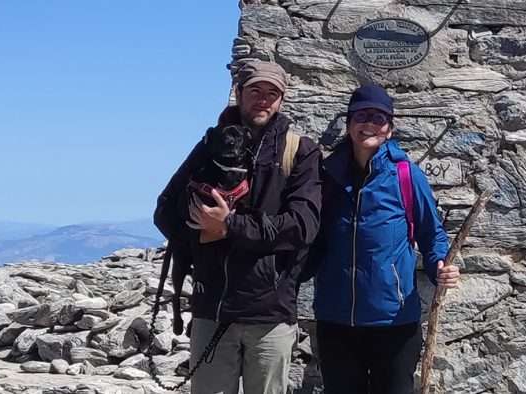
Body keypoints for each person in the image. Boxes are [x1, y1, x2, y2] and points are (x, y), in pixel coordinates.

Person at [153, 61, 322, 394]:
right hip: (211, 309)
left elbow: (303, 226)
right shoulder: (209, 145)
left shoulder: (298, 151)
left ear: (282, 100)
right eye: (255, 91)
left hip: (269, 314)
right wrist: (200, 227)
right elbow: (164, 211)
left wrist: (230, 225)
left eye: (272, 93)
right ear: (239, 93)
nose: (263, 100)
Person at [307, 83, 460, 394]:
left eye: (379, 118)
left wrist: (438, 266)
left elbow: (432, 234)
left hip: (394, 323)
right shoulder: (327, 176)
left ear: (389, 129)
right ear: (349, 124)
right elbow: (309, 235)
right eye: (361, 116)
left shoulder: (406, 175)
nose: (369, 124)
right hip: (336, 321)